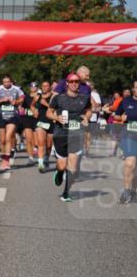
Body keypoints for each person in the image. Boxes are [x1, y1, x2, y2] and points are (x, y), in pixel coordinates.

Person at [47, 72, 93, 202]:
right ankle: (59, 172)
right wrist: (57, 117)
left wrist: (86, 117)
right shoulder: (59, 98)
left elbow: (89, 110)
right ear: (67, 83)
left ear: (79, 83)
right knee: (62, 166)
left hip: (76, 135)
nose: (74, 83)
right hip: (61, 134)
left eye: (76, 81)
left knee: (72, 167)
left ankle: (66, 193)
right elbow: (49, 112)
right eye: (71, 81)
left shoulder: (84, 98)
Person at [0, 75, 23, 171]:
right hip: (1, 116)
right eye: (4, 82)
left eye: (8, 82)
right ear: (2, 83)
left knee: (8, 137)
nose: (6, 84)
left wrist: (16, 102)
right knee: (2, 140)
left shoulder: (16, 89)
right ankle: (4, 158)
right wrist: (2, 100)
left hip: (12, 116)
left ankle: (6, 161)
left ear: (11, 82)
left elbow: (22, 98)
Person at [112, 89, 137, 203]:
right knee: (129, 163)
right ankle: (126, 191)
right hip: (129, 135)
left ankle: (134, 192)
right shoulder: (126, 101)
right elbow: (116, 116)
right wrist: (121, 118)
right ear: (133, 89)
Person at [32, 81, 56, 173]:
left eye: (46, 86)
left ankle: (46, 159)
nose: (45, 88)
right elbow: (32, 105)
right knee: (41, 143)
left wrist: (46, 104)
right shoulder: (37, 97)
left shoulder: (53, 97)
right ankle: (40, 163)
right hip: (40, 121)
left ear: (50, 87)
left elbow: (55, 108)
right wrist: (34, 111)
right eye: (43, 86)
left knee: (49, 146)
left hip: (51, 122)